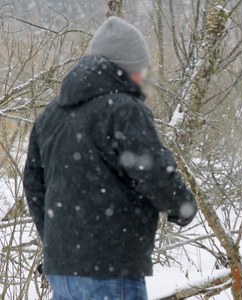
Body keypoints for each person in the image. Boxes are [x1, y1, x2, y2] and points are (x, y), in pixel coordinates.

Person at [23, 17, 197, 300]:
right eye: (140, 69)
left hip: (63, 269)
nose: (143, 77)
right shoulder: (123, 110)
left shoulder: (51, 114)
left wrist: (58, 240)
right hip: (110, 266)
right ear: (127, 68)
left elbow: (33, 183)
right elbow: (152, 171)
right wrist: (181, 205)